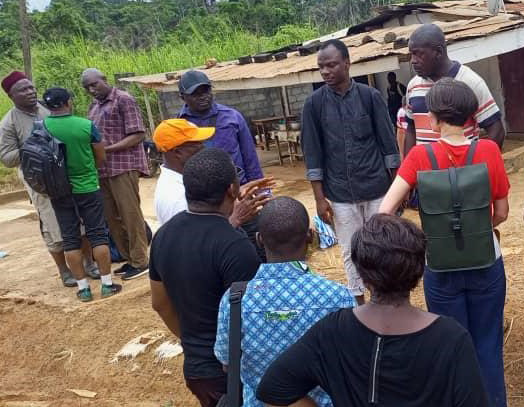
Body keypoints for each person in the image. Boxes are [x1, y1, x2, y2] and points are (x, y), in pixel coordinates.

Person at [256, 214, 490, 407]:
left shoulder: (333, 330)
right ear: (418, 272)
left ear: (362, 274)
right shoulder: (451, 338)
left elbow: (272, 390)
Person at [379, 78, 509, 406]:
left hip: (440, 264)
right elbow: (503, 212)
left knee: (450, 345)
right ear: (469, 116)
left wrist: (422, 237)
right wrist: (478, 226)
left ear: (434, 118)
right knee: (488, 345)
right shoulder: (489, 150)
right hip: (486, 263)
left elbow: (385, 210)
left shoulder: (421, 156)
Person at [214, 197, 355, 407]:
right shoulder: (339, 297)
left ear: (260, 239)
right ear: (309, 236)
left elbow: (227, 363)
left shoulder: (235, 301)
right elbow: (352, 362)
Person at [149, 147, 262, 407]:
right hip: (231, 372)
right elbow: (251, 318)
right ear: (232, 190)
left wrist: (191, 341)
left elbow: (160, 304)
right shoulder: (235, 246)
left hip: (197, 369)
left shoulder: (163, 236)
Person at [301, 39, 400, 305]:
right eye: (321, 67)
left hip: (378, 188)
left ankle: (386, 296)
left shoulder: (370, 97)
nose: (326, 72)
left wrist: (396, 188)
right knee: (350, 248)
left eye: (331, 65)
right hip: (340, 193)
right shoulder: (314, 105)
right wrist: (320, 198)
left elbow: (388, 145)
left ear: (347, 63)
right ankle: (358, 300)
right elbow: (313, 154)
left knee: (383, 244)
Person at [0, 71, 100, 287]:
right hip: (41, 182)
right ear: (11, 96)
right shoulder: (8, 123)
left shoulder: (47, 107)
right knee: (53, 227)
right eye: (23, 90)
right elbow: (7, 158)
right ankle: (64, 270)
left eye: (31, 87)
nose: (30, 91)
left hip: (68, 173)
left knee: (80, 220)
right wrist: (34, 146)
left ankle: (89, 263)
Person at [41, 88, 122, 302]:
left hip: (59, 191)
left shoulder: (40, 128)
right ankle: (106, 284)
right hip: (87, 187)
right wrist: (88, 169)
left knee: (70, 240)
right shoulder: (86, 125)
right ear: (68, 102)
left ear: (47, 106)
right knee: (97, 235)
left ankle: (83, 289)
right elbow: (100, 155)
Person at [82, 68, 150, 281]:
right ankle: (128, 258)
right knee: (111, 217)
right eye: (87, 87)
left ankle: (141, 261)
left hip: (123, 166)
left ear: (105, 79)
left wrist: (107, 150)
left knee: (130, 215)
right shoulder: (93, 106)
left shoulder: (123, 99)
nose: (92, 90)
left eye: (94, 84)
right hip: (102, 170)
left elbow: (138, 134)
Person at [404, 24, 505, 157]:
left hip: (462, 174)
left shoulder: (470, 82)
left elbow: (496, 130)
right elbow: (411, 129)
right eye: (412, 55)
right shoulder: (413, 86)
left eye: (419, 54)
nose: (413, 61)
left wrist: (475, 166)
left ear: (438, 52)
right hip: (427, 175)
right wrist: (408, 169)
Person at [151, 118, 271, 228]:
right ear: (178, 152)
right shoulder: (176, 198)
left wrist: (230, 195)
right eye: (197, 144)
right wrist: (236, 218)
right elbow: (197, 245)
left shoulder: (186, 181)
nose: (203, 148)